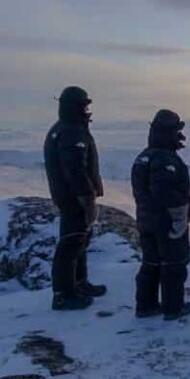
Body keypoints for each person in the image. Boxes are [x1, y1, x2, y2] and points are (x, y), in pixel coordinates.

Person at [44, 86, 106, 311]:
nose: (88, 110)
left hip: (68, 195)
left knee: (80, 239)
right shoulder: (71, 132)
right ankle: (63, 295)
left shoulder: (64, 129)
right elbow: (75, 169)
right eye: (84, 105)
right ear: (75, 107)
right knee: (71, 243)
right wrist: (86, 197)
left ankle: (79, 283)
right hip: (74, 197)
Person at [131, 109, 190, 321]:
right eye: (177, 131)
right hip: (166, 222)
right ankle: (173, 307)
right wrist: (179, 218)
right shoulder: (165, 160)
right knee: (174, 263)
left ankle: (145, 305)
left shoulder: (143, 157)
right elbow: (165, 192)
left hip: (145, 220)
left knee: (151, 262)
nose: (180, 135)